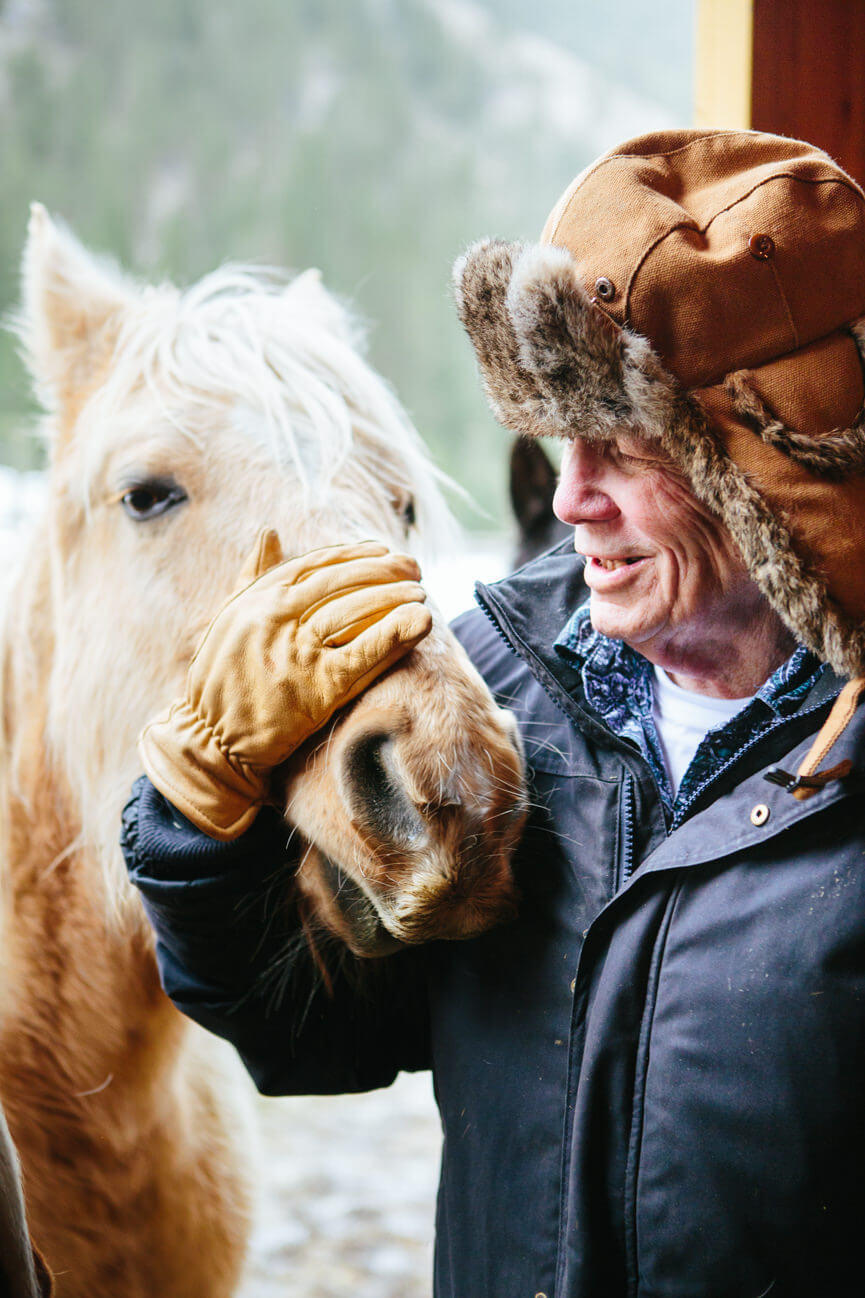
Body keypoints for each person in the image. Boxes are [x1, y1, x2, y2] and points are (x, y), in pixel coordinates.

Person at [122, 129, 865, 1297]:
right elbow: (320, 1036)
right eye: (560, 443)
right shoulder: (491, 690)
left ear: (767, 466)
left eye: (622, 445)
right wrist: (195, 817)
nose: (569, 497)